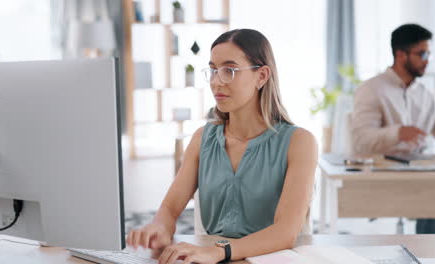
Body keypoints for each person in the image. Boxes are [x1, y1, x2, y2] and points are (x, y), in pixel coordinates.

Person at [126, 29, 317, 264]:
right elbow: (170, 209)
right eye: (213, 70)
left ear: (262, 76)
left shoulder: (300, 142)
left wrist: (218, 251)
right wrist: (159, 228)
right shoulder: (202, 138)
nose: (216, 81)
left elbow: (285, 233)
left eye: (229, 70)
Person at [352, 24, 435, 234]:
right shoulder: (371, 90)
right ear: (400, 54)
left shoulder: (426, 95)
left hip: (419, 174)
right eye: (422, 53)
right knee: (433, 195)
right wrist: (397, 132)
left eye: (429, 54)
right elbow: (361, 140)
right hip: (381, 176)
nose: (427, 60)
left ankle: (427, 255)